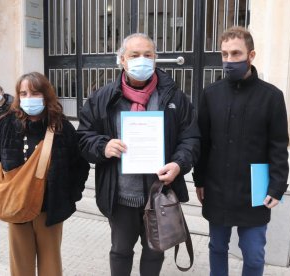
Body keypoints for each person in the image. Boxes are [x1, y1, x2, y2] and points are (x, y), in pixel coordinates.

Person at [77, 33, 200, 276]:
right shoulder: (103, 98)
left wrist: (178, 163)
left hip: (159, 195)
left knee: (155, 251)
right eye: (134, 55)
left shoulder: (174, 97)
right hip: (120, 196)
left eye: (148, 55)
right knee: (120, 251)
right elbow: (83, 137)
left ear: (155, 59)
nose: (141, 60)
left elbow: (191, 138)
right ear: (122, 60)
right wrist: (103, 146)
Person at [193, 26, 289, 276]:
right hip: (217, 186)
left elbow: (278, 146)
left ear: (251, 55)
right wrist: (199, 180)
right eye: (224, 54)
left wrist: (277, 186)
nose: (229, 60)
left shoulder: (272, 97)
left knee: (255, 255)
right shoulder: (210, 94)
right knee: (217, 246)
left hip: (254, 191)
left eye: (236, 54)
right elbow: (202, 142)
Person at [0, 72, 90, 276]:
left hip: (50, 209)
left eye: (34, 93)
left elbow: (79, 165)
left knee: (51, 265)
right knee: (20, 265)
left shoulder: (61, 127)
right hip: (16, 207)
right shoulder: (6, 125)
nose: (28, 98)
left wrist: (70, 195)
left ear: (46, 95)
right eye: (23, 93)